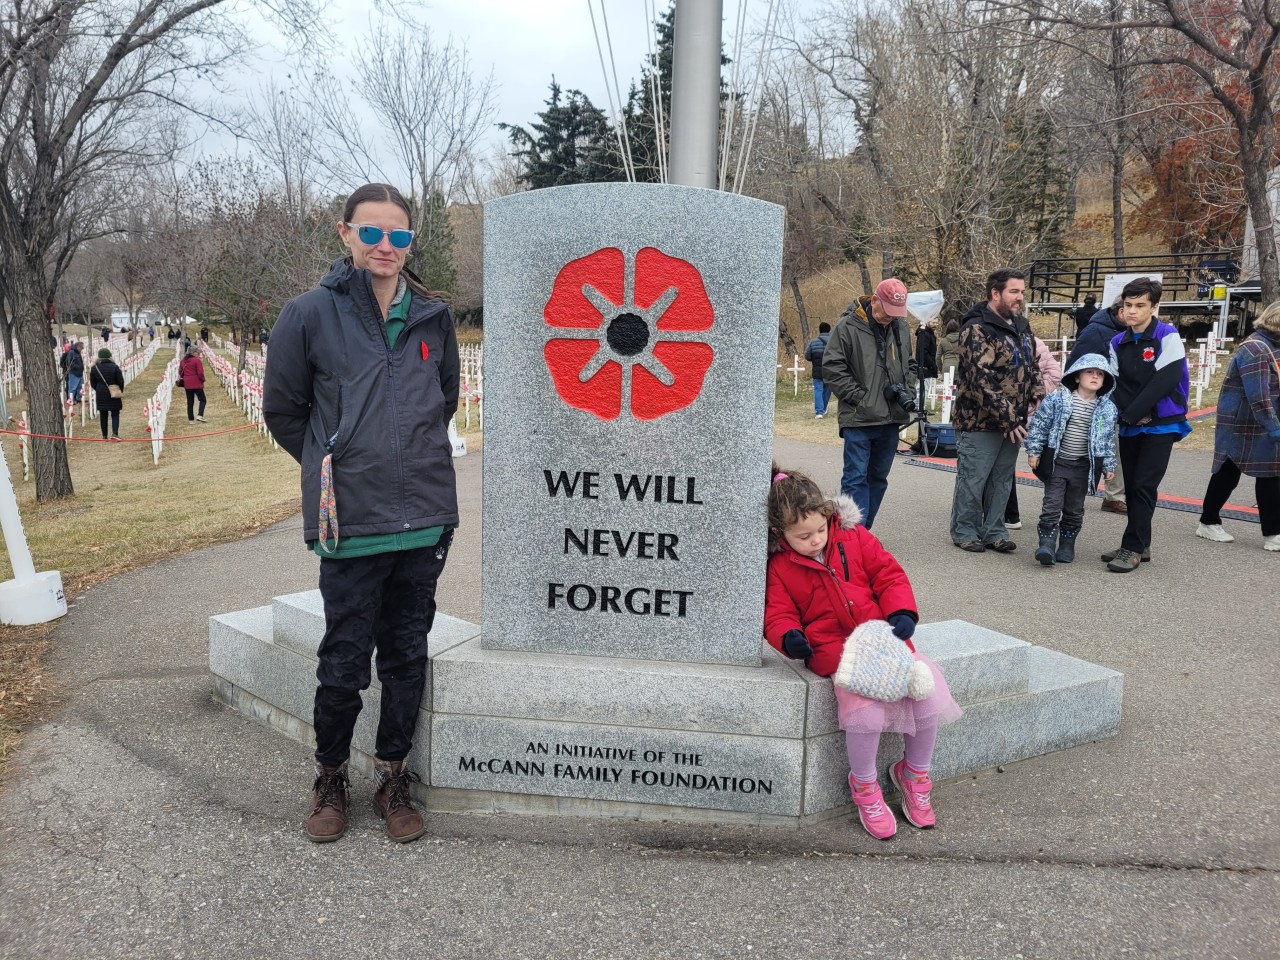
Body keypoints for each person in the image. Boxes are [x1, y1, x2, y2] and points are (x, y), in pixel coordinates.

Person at [263, 182, 461, 845]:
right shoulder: (308, 314)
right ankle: (329, 778)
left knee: (406, 656)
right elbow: (285, 412)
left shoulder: (433, 317)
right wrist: (334, 460)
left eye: (398, 236)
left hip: (425, 516)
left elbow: (444, 401)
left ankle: (393, 776)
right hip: (350, 522)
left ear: (411, 242)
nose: (385, 246)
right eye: (371, 233)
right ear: (344, 233)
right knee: (344, 662)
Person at [764, 466, 961, 839]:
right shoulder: (780, 567)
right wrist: (789, 637)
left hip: (885, 643)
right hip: (840, 657)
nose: (815, 541)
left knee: (927, 694)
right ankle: (865, 786)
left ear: (828, 514)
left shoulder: (854, 537)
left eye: (820, 530)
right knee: (865, 717)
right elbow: (777, 612)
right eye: (803, 537)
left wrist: (901, 611)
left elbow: (888, 574)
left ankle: (914, 773)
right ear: (780, 534)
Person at [949, 269, 1045, 552]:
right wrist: (1008, 419)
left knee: (1002, 478)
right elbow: (981, 379)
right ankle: (965, 530)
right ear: (995, 293)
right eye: (1014, 292)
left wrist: (1039, 394)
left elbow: (1032, 365)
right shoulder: (975, 328)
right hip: (979, 421)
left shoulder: (1021, 326)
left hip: (1013, 420)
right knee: (974, 478)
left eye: (1022, 292)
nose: (1020, 297)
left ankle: (994, 530)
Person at [1101, 277, 1190, 572]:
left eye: (1140, 305)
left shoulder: (1168, 335)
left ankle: (1132, 547)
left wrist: (1141, 411)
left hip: (1161, 423)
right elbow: (1115, 383)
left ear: (1154, 306)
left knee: (1143, 484)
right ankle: (1141, 542)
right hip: (1130, 422)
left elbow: (1166, 378)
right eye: (1128, 305)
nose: (1132, 311)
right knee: (1133, 485)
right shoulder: (1117, 341)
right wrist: (1128, 414)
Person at [822, 278, 919, 529]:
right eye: (887, 310)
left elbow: (908, 363)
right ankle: (851, 535)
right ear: (874, 299)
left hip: (892, 415)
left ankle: (863, 533)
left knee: (878, 478)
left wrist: (907, 390)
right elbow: (832, 368)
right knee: (855, 478)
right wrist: (859, 397)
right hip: (859, 416)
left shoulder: (900, 326)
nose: (890, 317)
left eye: (897, 312)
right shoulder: (847, 327)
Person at [1194, 300, 1280, 551]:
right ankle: (1209, 522)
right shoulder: (1255, 348)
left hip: (1263, 422)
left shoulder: (1274, 346)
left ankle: (1271, 532)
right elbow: (1259, 396)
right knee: (1231, 471)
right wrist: (1274, 428)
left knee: (1268, 473)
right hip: (1243, 422)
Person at [1024, 354, 1118, 565]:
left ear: (1105, 381)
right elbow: (1040, 425)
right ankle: (1046, 543)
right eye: (1089, 372)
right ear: (1077, 377)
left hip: (1083, 466)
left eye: (1100, 374)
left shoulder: (1107, 409)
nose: (1095, 377)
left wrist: (1109, 465)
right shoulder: (1058, 399)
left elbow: (1108, 440)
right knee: (1052, 504)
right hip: (1058, 463)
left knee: (1075, 508)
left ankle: (1067, 544)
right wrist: (1034, 451)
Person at [1068, 297, 1128, 514]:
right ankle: (1073, 494)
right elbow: (1075, 363)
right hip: (1099, 399)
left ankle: (1115, 494)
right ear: (1120, 311)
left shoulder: (1131, 332)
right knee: (1085, 448)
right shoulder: (1096, 331)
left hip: (1121, 400)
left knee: (1116, 448)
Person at [1004, 337, 1062, 530]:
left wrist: (1033, 396)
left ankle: (1055, 517)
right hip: (1006, 413)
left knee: (1045, 465)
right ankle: (1010, 514)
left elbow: (1055, 373)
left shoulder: (1034, 343)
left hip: (1034, 415)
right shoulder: (994, 341)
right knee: (1004, 463)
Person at [89, 348, 124, 440]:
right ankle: (115, 433)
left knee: (103, 414)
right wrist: (119, 390)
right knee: (115, 413)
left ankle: (104, 435)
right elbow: (120, 381)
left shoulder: (94, 368)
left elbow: (92, 383)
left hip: (100, 392)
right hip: (113, 391)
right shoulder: (114, 367)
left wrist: (98, 389)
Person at [804, 322, 833, 418]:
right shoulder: (833, 342)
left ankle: (819, 412)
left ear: (819, 330)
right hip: (830, 370)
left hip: (817, 370)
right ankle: (823, 409)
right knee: (828, 390)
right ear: (829, 330)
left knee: (818, 390)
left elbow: (807, 356)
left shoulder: (813, 342)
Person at [179, 345, 207, 423]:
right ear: (193, 353)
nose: (198, 354)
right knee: (202, 399)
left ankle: (191, 419)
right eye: (197, 353)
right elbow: (200, 373)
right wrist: (203, 379)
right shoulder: (196, 361)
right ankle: (200, 415)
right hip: (197, 383)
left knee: (190, 401)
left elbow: (180, 372)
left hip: (187, 383)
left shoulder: (183, 361)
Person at [916, 316, 939, 408]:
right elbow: (923, 352)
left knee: (924, 389)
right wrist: (932, 365)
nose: (935, 325)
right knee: (922, 389)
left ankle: (921, 406)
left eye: (937, 323)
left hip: (927, 366)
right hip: (925, 367)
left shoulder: (929, 334)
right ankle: (919, 407)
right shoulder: (925, 334)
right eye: (933, 322)